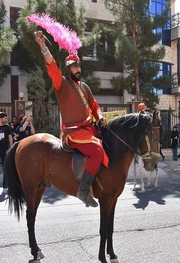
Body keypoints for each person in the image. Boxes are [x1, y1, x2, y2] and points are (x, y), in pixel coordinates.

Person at [35, 30, 108, 207]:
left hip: (90, 129)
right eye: (74, 67)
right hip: (73, 133)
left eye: (79, 66)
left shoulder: (85, 87)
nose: (78, 69)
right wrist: (43, 47)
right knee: (97, 151)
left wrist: (100, 116)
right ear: (68, 70)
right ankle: (83, 191)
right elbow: (52, 68)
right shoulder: (62, 85)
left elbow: (94, 105)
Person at [0, 112, 13, 194]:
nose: (6, 120)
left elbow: (10, 138)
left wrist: (10, 149)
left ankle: (5, 187)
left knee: (5, 169)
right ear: (1, 118)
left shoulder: (7, 127)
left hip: (4, 150)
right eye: (5, 118)